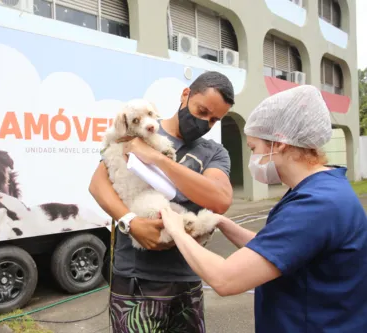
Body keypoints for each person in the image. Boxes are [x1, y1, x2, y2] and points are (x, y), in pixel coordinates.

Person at [160, 84, 367, 333]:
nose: (253, 160)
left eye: (254, 149)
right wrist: (224, 223)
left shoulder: (317, 205)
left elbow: (226, 279)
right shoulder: (320, 190)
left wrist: (176, 228)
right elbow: (275, 249)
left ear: (279, 143)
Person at [89, 71, 235, 332]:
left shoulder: (214, 152)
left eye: (214, 119)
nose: (205, 122)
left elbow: (220, 199)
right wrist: (130, 222)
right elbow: (98, 184)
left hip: (188, 280)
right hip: (135, 281)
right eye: (202, 111)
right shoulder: (132, 134)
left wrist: (158, 159)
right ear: (185, 95)